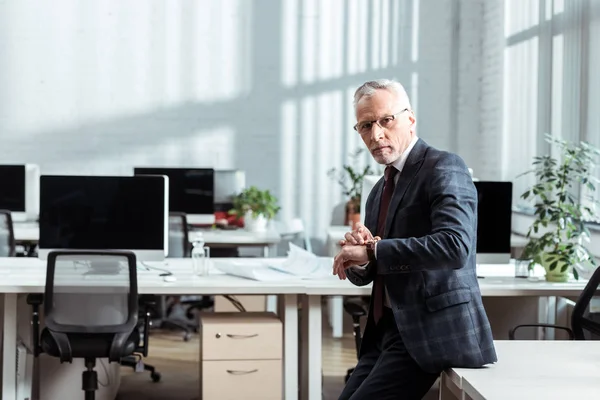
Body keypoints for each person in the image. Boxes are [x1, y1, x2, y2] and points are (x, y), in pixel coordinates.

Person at [332, 79, 497, 400]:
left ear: (410, 118)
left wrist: (374, 250)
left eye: (385, 120)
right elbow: (374, 268)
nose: (375, 134)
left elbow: (454, 246)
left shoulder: (444, 167)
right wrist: (359, 256)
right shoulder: (379, 190)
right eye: (365, 126)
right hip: (385, 330)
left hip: (429, 329)